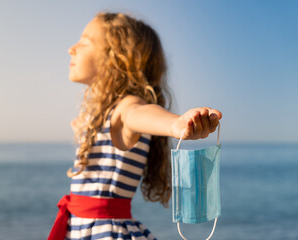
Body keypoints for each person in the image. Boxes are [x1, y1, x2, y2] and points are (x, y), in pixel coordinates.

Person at [48, 12, 222, 240]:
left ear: (117, 57)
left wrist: (175, 124)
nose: (72, 48)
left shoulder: (125, 107)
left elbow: (139, 113)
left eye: (85, 42)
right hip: (82, 228)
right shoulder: (100, 117)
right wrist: (82, 127)